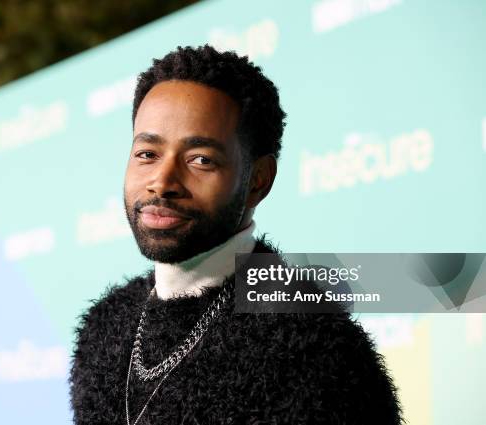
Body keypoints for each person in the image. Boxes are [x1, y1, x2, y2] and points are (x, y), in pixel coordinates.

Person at [69, 45, 403, 425]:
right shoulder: (103, 327)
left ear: (258, 181)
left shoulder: (315, 349)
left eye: (201, 160)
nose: (162, 182)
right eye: (147, 153)